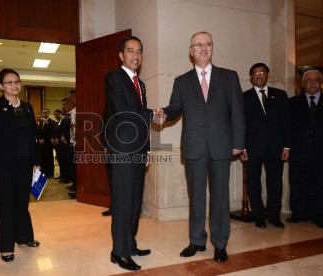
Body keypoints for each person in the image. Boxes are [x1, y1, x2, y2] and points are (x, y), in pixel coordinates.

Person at [157, 31, 245, 263]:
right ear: (191, 51)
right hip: (194, 145)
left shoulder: (229, 77)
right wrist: (163, 114)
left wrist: (238, 143)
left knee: (220, 197)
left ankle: (220, 242)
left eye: (207, 44)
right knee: (196, 198)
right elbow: (175, 109)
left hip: (221, 146)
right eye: (198, 45)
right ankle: (196, 240)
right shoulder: (182, 81)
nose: (203, 48)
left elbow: (237, 111)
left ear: (212, 48)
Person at [105, 36, 156, 271]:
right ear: (121, 55)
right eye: (131, 51)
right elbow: (123, 110)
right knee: (123, 202)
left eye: (139, 51)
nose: (136, 56)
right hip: (122, 150)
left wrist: (145, 151)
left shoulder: (141, 84)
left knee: (135, 201)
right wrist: (151, 114)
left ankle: (130, 243)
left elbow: (142, 123)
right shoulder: (114, 78)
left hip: (137, 150)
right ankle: (119, 252)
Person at [0, 68, 41, 262]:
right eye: (9, 82)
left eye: (17, 81)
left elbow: (33, 137)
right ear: (0, 86)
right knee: (5, 205)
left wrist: (36, 161)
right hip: (3, 165)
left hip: (25, 163)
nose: (14, 85)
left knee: (22, 203)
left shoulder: (27, 107)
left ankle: (24, 237)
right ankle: (6, 246)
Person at [288, 69, 323, 229]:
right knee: (297, 184)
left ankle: (320, 216)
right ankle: (298, 213)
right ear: (303, 83)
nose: (312, 83)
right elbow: (287, 128)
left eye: (315, 80)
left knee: (320, 185)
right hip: (299, 152)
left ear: (321, 83)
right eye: (309, 80)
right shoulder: (293, 103)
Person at [240, 63, 291, 229]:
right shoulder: (243, 97)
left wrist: (287, 146)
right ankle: (259, 215)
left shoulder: (280, 95)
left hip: (276, 148)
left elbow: (286, 122)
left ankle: (274, 215)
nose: (259, 75)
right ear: (251, 78)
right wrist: (242, 148)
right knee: (253, 183)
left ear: (268, 75)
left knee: (275, 183)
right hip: (252, 148)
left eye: (262, 72)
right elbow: (240, 125)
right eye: (255, 73)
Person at [39, 109, 55, 178]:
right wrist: (39, 140)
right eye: (43, 113)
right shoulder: (41, 122)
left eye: (46, 113)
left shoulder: (52, 122)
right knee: (42, 158)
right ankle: (43, 173)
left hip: (48, 143)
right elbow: (39, 132)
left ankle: (50, 173)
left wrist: (44, 140)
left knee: (49, 159)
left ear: (48, 113)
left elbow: (51, 133)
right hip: (41, 144)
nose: (44, 114)